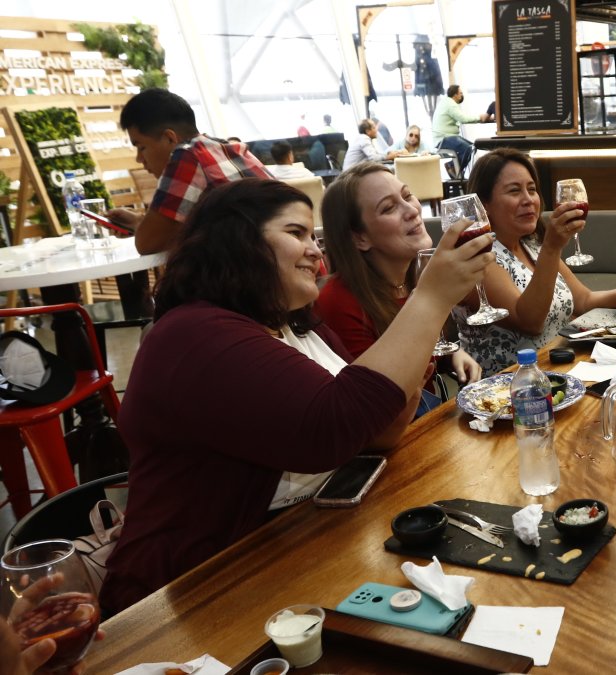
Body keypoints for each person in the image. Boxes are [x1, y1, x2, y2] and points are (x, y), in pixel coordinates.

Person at [99, 178, 491, 615]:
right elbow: (331, 431)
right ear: (238, 240)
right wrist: (432, 297)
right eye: (295, 233)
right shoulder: (194, 334)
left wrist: (415, 353)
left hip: (300, 546)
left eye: (314, 236)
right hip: (191, 592)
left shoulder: (295, 323)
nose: (315, 251)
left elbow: (374, 432)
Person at [455, 148, 616, 376]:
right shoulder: (479, 257)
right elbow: (530, 322)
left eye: (532, 189)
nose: (528, 200)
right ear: (483, 205)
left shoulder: (532, 244)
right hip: (509, 389)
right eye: (514, 191)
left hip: (561, 373)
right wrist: (553, 246)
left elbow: (584, 301)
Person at [315, 162, 481, 413]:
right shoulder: (337, 301)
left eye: (407, 196)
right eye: (389, 208)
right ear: (360, 238)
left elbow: (423, 349)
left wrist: (450, 357)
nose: (412, 211)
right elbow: (374, 405)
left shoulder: (416, 276)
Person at [105, 88, 271, 254]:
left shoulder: (186, 156)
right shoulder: (229, 148)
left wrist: (142, 227)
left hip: (248, 272)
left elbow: (147, 244)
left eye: (142, 147)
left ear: (170, 138)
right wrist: (139, 221)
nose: (139, 159)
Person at [432, 85, 487, 176]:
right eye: (460, 93)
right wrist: (480, 117)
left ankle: (455, 169)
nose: (462, 95)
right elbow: (463, 118)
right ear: (455, 95)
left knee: (472, 147)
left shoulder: (447, 102)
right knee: (469, 148)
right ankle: (452, 166)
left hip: (446, 137)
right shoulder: (450, 104)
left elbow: (462, 118)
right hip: (444, 138)